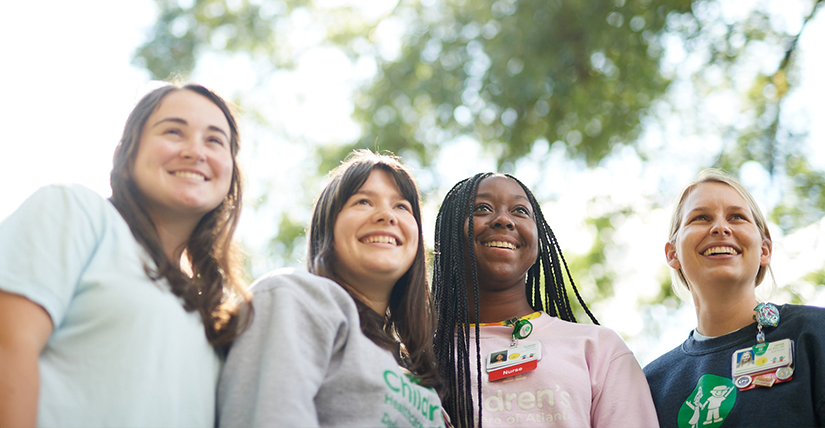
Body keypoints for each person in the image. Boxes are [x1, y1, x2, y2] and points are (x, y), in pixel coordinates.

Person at [0, 83, 251, 427]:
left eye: (214, 140)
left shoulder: (213, 312)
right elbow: (8, 345)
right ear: (126, 154)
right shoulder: (75, 211)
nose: (196, 151)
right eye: (174, 131)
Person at [218, 150, 446, 427]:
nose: (387, 215)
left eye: (401, 206)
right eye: (363, 201)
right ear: (327, 226)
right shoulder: (292, 298)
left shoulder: (416, 368)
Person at [432, 172, 659, 427]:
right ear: (448, 234)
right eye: (482, 208)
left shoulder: (599, 348)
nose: (504, 219)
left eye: (520, 211)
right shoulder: (421, 359)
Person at [643, 168, 825, 427]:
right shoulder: (650, 385)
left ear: (764, 250)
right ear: (672, 253)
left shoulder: (818, 334)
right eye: (700, 217)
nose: (720, 227)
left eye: (737, 217)